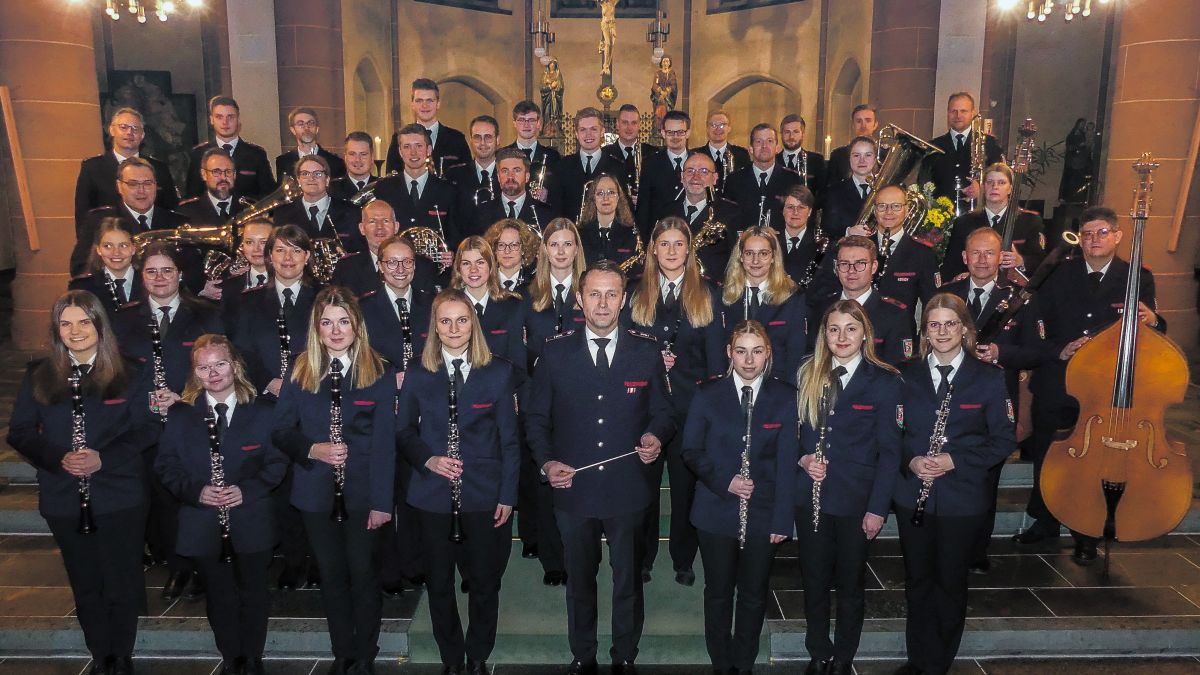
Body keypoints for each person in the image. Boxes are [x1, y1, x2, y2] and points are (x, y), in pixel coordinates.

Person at [526, 260, 675, 675]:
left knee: (627, 580)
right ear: (579, 299)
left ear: (623, 299)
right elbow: (536, 419)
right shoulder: (554, 352)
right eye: (594, 294)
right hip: (573, 489)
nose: (603, 303)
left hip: (627, 487)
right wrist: (546, 462)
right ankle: (583, 654)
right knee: (579, 581)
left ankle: (625, 654)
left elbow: (664, 412)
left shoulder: (645, 351)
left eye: (611, 294)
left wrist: (655, 436)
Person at [8, 290, 159, 675]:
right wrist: (58, 458)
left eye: (83, 322)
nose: (75, 331)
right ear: (56, 330)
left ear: (99, 325)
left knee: (121, 580)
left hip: (119, 492)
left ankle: (121, 654)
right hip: (63, 493)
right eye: (65, 324)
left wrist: (102, 458)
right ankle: (100, 654)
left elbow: (148, 428)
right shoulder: (40, 374)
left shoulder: (132, 371)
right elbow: (20, 432)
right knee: (85, 580)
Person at [1015, 207, 1165, 566]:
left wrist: (1156, 320)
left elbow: (1151, 331)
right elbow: (1035, 324)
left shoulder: (1137, 277)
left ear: (1117, 236)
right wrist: (1058, 349)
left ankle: (1086, 532)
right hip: (1057, 378)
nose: (1094, 239)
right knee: (1047, 456)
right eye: (1087, 234)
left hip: (1104, 388)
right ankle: (1045, 521)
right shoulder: (1057, 273)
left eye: (1101, 232)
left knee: (1093, 462)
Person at [272, 286, 396, 675]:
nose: (336, 331)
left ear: (357, 325)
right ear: (317, 327)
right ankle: (342, 652)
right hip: (315, 490)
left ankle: (366, 651)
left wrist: (382, 502)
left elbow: (385, 444)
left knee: (363, 572)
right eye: (327, 323)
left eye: (344, 321)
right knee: (330, 574)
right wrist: (312, 449)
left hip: (363, 492)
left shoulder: (379, 371)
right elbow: (280, 430)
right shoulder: (300, 369)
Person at [396, 289, 520, 675]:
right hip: (432, 494)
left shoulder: (499, 371)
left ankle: (478, 654)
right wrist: (428, 459)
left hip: (484, 493)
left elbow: (510, 441)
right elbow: (403, 432)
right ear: (435, 326)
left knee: (484, 581)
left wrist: (508, 495)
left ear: (473, 324)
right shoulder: (418, 371)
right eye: (445, 321)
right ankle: (451, 657)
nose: (454, 328)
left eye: (462, 320)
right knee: (439, 583)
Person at [893, 293, 1015, 675]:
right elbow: (890, 433)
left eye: (950, 324)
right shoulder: (904, 374)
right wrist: (911, 460)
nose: (942, 331)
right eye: (934, 324)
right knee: (917, 581)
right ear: (925, 331)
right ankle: (917, 660)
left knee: (949, 582)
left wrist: (954, 460)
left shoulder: (988, 377)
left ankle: (937, 663)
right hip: (913, 495)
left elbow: (1003, 439)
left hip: (962, 499)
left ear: (964, 329)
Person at [154, 334, 287, 675]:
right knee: (219, 592)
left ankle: (252, 657)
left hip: (251, 516)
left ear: (236, 366)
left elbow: (277, 463)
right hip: (202, 518)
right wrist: (196, 491)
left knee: (254, 591)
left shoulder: (264, 411)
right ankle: (231, 657)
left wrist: (247, 490)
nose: (213, 374)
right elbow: (166, 465)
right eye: (203, 368)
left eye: (220, 364)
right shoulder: (181, 415)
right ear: (194, 373)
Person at [682, 320, 798, 675]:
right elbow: (691, 450)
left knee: (753, 592)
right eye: (742, 351)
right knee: (718, 591)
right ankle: (720, 661)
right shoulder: (707, 394)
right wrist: (725, 482)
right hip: (715, 510)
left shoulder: (785, 396)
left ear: (768, 354)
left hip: (763, 512)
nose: (749, 360)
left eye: (757, 351)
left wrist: (782, 518)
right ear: (729, 353)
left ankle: (744, 662)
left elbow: (787, 463)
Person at [794, 300, 901, 675]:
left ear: (865, 334)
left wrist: (877, 508)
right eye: (834, 329)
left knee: (850, 582)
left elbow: (890, 451)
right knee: (814, 579)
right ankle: (817, 650)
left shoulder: (885, 381)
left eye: (850, 329)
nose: (842, 337)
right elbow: (793, 435)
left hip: (857, 500)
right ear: (824, 334)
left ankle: (843, 655)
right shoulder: (807, 372)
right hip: (811, 498)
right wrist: (803, 458)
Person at [113, 242, 223, 602]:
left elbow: (222, 368)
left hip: (192, 418)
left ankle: (204, 566)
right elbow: (116, 372)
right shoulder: (123, 318)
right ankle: (177, 566)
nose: (160, 278)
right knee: (161, 498)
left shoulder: (206, 313)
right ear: (141, 276)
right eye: (151, 271)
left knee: (195, 493)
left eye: (167, 270)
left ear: (180, 274)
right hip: (142, 422)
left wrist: (185, 397)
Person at [624, 217, 727, 587]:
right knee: (643, 488)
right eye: (664, 243)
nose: (671, 250)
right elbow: (624, 351)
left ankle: (684, 558)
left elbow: (716, 363)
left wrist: (713, 414)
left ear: (689, 249)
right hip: (646, 408)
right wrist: (650, 361)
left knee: (685, 489)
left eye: (678, 244)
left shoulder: (708, 293)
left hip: (690, 408)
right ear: (653, 249)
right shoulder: (635, 291)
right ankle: (643, 559)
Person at [941, 227, 1051, 573]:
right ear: (964, 257)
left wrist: (1002, 352)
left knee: (985, 480)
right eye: (975, 253)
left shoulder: (1021, 298)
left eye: (989, 253)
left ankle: (976, 551)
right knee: (945, 474)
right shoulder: (946, 295)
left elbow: (1038, 351)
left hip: (994, 403)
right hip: (948, 400)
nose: (982, 260)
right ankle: (943, 546)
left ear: (1000, 257)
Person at [360, 234, 435, 597]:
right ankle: (388, 567)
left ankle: (415, 562)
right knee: (384, 489)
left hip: (421, 413)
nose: (400, 269)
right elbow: (358, 357)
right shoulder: (363, 308)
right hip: (380, 411)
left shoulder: (431, 303)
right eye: (392, 262)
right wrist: (390, 379)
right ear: (380, 266)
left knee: (415, 488)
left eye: (407, 262)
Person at [519, 218, 586, 585]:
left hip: (580, 399)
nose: (561, 251)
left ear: (576, 249)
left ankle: (578, 554)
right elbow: (519, 353)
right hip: (539, 400)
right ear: (544, 249)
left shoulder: (591, 290)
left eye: (567, 244)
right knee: (546, 476)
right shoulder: (528, 295)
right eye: (554, 244)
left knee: (578, 477)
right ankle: (552, 561)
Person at [808, 236, 915, 367]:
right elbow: (811, 358)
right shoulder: (821, 308)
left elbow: (898, 368)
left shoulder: (893, 313)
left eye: (860, 264)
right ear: (836, 267)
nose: (851, 271)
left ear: (874, 267)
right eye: (844, 264)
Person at [71, 157, 187, 278]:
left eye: (147, 183)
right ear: (119, 186)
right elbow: (80, 268)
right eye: (133, 184)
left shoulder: (177, 223)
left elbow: (191, 270)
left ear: (156, 186)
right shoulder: (98, 222)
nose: (141, 191)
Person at [720, 226, 808, 384]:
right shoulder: (723, 296)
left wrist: (789, 392)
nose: (756, 261)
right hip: (731, 385)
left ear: (774, 256)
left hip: (776, 385)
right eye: (749, 253)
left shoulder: (793, 297)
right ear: (740, 256)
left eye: (763, 254)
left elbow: (796, 352)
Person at [74, 107, 178, 239]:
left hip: (154, 240)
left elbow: (171, 209)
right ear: (111, 130)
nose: (130, 132)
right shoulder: (93, 168)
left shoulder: (159, 168)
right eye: (123, 127)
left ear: (142, 135)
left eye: (135, 128)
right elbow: (83, 215)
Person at [940, 162, 1045, 281]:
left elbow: (1040, 263)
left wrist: (1021, 261)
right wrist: (960, 276)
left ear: (1010, 189)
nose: (995, 186)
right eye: (990, 182)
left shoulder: (1030, 221)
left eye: (1001, 182)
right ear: (983, 187)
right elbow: (950, 265)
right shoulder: (963, 223)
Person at [847, 184, 940, 312]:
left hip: (901, 324)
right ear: (874, 210)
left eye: (896, 206)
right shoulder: (859, 247)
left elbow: (932, 303)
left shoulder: (922, 253)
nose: (888, 212)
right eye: (882, 206)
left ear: (906, 210)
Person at [374, 124, 464, 251]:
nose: (413, 152)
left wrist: (450, 252)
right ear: (400, 152)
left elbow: (456, 236)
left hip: (434, 263)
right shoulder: (384, 189)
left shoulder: (448, 191)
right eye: (407, 147)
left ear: (429, 150)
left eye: (419, 146)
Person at [449, 237, 527, 369]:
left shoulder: (512, 306)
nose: (473, 270)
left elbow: (518, 363)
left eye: (480, 262)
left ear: (491, 266)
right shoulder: (446, 307)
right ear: (458, 268)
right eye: (466, 263)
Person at [918, 92, 1003, 208]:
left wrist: (982, 188)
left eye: (964, 111)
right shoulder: (933, 146)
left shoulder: (989, 144)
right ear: (948, 113)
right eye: (953, 111)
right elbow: (924, 184)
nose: (958, 115)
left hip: (977, 213)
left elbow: (1001, 179)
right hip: (940, 214)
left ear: (972, 113)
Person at [186, 96, 275, 201]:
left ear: (238, 119)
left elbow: (268, 195)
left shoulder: (256, 154)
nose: (225, 122)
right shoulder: (199, 154)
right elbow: (192, 195)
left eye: (230, 117)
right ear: (211, 120)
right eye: (219, 117)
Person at [271, 154, 365, 254]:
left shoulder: (351, 211)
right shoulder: (282, 214)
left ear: (327, 180)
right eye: (305, 174)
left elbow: (361, 250)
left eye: (318, 174)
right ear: (298, 180)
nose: (311, 178)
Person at [670, 153, 742, 279]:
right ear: (682, 177)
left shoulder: (732, 213)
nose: (696, 177)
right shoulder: (665, 211)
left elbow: (737, 260)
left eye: (704, 171)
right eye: (690, 171)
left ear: (714, 178)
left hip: (714, 287)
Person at [546, 107, 625, 222]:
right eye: (583, 130)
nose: (588, 135)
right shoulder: (561, 167)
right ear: (576, 133)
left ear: (602, 132)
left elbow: (622, 210)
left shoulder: (618, 167)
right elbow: (555, 208)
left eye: (593, 129)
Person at [386, 78, 472, 175]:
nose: (425, 106)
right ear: (412, 104)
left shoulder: (457, 139)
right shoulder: (398, 138)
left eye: (429, 100)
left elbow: (467, 175)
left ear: (438, 104)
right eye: (419, 101)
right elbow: (392, 176)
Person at [724, 124, 802, 230]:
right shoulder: (734, 180)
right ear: (751, 149)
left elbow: (798, 217)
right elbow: (727, 218)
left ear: (777, 148)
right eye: (758, 141)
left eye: (770, 141)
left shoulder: (793, 179)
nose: (764, 146)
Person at [69, 219, 144, 318]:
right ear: (98, 249)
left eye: (123, 245)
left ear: (134, 248)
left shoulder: (150, 281)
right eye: (108, 246)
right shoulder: (82, 287)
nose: (116, 252)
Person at [474, 148, 555, 237]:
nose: (510, 176)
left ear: (527, 176)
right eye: (505, 171)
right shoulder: (481, 213)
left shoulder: (546, 213)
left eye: (516, 170)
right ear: (498, 177)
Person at [445, 115, 503, 234]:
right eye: (477, 137)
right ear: (470, 141)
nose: (482, 143)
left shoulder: (508, 176)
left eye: (488, 137)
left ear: (497, 140)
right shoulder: (455, 175)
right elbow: (451, 220)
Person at [331, 199, 400, 296]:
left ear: (396, 227)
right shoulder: (346, 268)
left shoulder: (418, 266)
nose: (379, 227)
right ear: (362, 228)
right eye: (372, 221)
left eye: (385, 221)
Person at [577, 174, 642, 271]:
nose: (606, 198)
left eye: (611, 192)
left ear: (618, 197)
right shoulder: (579, 234)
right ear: (593, 198)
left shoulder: (632, 234)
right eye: (600, 193)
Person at [819, 136, 877, 240]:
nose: (862, 160)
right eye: (856, 155)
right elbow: (827, 227)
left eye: (868, 155)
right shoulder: (833, 192)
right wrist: (848, 232)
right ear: (849, 159)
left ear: (875, 159)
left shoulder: (885, 191)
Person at [175, 148, 245, 227]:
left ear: (234, 175)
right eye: (216, 172)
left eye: (228, 172)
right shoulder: (186, 212)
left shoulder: (248, 208)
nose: (223, 177)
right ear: (204, 174)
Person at [275, 107, 348, 182]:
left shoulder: (335, 162)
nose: (306, 127)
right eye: (301, 124)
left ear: (317, 129)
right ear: (293, 130)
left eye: (311, 123)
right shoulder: (283, 162)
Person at [602, 104, 655, 204]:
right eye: (625, 122)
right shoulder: (604, 155)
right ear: (617, 124)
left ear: (639, 125)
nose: (629, 128)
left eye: (634, 123)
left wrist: (646, 198)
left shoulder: (652, 154)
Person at [689, 110, 752, 196]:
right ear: (707, 128)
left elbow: (746, 184)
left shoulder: (741, 155)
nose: (718, 129)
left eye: (722, 125)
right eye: (713, 125)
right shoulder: (695, 155)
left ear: (729, 128)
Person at [776, 185, 824, 291]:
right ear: (783, 211)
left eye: (801, 207)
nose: (795, 212)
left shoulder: (821, 245)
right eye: (790, 207)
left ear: (810, 212)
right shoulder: (771, 242)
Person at [504, 100, 562, 182]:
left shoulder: (553, 156)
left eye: (531, 120)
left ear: (538, 123)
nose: (526, 125)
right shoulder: (503, 155)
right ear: (514, 123)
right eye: (521, 120)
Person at [825, 105, 879, 189]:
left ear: (875, 125)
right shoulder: (838, 155)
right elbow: (831, 187)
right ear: (853, 125)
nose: (863, 125)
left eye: (868, 120)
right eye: (858, 121)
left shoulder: (885, 155)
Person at [778, 114, 827, 199]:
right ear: (781, 134)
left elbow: (822, 194)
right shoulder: (773, 160)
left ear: (803, 134)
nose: (791, 136)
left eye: (796, 132)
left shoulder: (816, 161)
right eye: (787, 132)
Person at [485, 218, 539, 292]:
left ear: (524, 249)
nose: (507, 251)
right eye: (501, 245)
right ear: (494, 249)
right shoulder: (484, 282)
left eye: (513, 245)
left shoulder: (536, 283)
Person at [329, 131, 379, 202]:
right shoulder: (332, 189)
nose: (357, 159)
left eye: (363, 154)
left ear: (372, 157)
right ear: (345, 157)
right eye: (352, 154)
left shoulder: (383, 187)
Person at [651, 56, 677, 131]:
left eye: (667, 61)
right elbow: (655, 85)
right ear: (661, 63)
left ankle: (667, 128)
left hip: (668, 98)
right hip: (659, 97)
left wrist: (666, 92)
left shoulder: (671, 73)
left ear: (669, 63)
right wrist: (661, 92)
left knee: (667, 114)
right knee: (658, 113)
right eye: (664, 61)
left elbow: (673, 85)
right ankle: (658, 129)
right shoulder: (658, 73)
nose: (665, 63)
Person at [540, 60, 565, 129]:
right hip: (547, 99)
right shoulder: (545, 75)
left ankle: (556, 129)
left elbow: (561, 87)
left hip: (556, 98)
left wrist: (557, 88)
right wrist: (550, 87)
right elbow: (542, 88)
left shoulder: (558, 74)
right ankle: (547, 129)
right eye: (551, 64)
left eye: (553, 64)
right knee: (547, 113)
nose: (552, 65)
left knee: (556, 113)